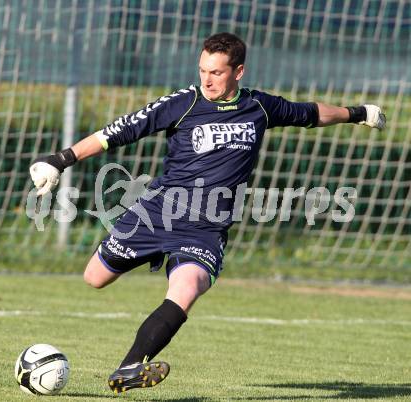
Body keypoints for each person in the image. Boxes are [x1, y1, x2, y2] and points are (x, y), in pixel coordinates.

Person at [29, 32, 386, 394]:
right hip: (158, 214)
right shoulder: (183, 103)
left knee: (187, 288)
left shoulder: (260, 107)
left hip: (206, 229)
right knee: (95, 278)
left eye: (216, 72)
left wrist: (357, 114)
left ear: (239, 72)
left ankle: (129, 367)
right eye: (202, 70)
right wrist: (60, 160)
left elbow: (310, 113)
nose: (207, 79)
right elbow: (117, 132)